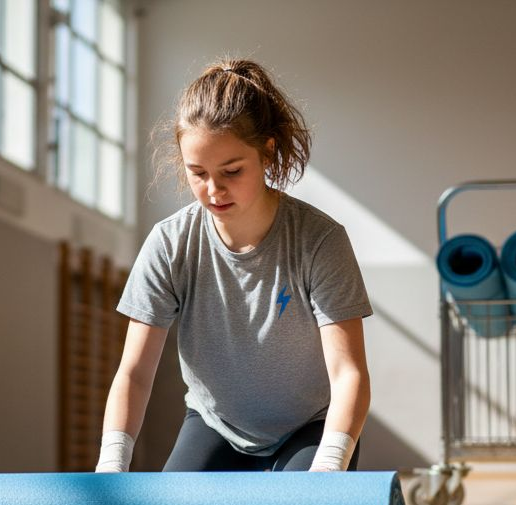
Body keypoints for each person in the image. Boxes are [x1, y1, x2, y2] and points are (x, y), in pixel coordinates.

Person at [95, 58, 371, 473]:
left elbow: (349, 373)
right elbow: (134, 372)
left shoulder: (320, 240)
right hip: (215, 427)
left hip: (311, 428)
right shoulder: (170, 244)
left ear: (267, 152)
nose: (213, 189)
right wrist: (111, 466)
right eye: (198, 173)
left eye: (231, 170)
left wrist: (330, 465)